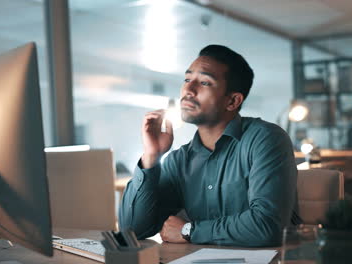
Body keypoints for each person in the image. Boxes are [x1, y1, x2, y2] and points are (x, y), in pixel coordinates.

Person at [119, 45, 297, 247]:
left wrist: (189, 230)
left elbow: (267, 226)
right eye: (187, 80)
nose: (188, 90)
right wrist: (151, 157)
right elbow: (133, 231)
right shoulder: (180, 160)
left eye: (204, 82)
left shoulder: (265, 139)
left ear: (232, 101)